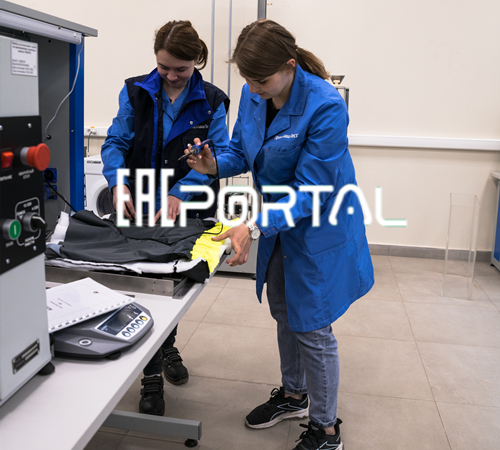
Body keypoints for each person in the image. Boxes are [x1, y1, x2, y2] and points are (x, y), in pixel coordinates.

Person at [186, 19, 374, 450]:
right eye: (248, 81)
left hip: (318, 226)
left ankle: (326, 431)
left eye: (262, 81)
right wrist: (212, 164)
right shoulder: (254, 94)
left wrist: (252, 226)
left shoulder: (326, 106)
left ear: (290, 66)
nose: (254, 90)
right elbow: (241, 150)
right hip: (277, 222)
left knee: (313, 326)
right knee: (285, 312)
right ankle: (293, 396)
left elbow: (312, 190)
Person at [101, 20, 230, 416]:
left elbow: (218, 155)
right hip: (140, 202)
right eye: (164, 67)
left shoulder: (213, 100)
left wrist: (180, 192)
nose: (171, 76)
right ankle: (152, 374)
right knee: (144, 282)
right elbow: (116, 142)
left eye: (181, 69)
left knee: (173, 284)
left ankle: (166, 344)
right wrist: (118, 182)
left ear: (197, 61)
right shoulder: (135, 91)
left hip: (190, 206)